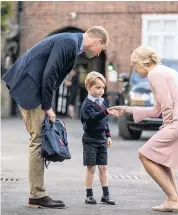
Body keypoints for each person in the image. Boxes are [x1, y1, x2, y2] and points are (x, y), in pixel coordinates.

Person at [2, 26, 109, 209]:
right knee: (37, 141)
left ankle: (37, 194)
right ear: (97, 41)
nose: (99, 54)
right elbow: (49, 74)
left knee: (38, 139)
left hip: (32, 89)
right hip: (31, 90)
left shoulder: (72, 43)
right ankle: (37, 195)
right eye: (102, 49)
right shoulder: (69, 42)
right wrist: (47, 106)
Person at [109, 46, 178, 213]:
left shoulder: (155, 74)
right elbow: (156, 110)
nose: (135, 70)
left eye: (134, 65)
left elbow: (167, 105)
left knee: (144, 154)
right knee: (159, 158)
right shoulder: (165, 71)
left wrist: (167, 126)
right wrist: (126, 108)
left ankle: (173, 199)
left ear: (141, 63)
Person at [80, 71, 116, 205]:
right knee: (91, 168)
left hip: (101, 139)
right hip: (90, 140)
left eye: (103, 87)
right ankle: (89, 195)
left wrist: (108, 135)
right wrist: (105, 111)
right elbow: (92, 118)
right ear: (89, 88)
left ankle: (105, 195)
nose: (101, 90)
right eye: (97, 87)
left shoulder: (102, 102)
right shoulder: (87, 104)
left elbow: (105, 121)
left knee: (103, 167)